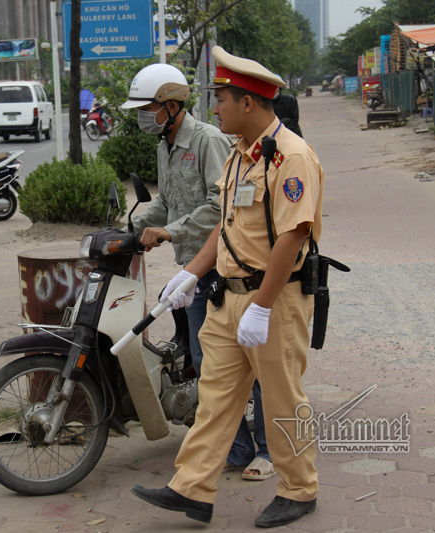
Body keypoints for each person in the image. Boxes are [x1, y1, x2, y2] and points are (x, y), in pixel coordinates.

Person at [131, 46, 323, 528]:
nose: (214, 107)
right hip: (227, 297)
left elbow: (293, 237)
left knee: (282, 400)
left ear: (248, 103)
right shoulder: (240, 154)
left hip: (273, 301)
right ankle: (192, 489)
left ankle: (300, 490)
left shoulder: (292, 157)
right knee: (215, 398)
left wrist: (260, 306)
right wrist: (190, 274)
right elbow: (224, 224)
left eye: (220, 98)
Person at [121, 63, 262, 470]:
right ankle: (234, 447)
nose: (142, 116)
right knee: (205, 363)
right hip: (192, 271)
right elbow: (166, 202)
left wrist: (170, 232)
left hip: (222, 267)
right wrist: (130, 229)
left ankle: (262, 446)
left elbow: (223, 205)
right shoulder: (165, 145)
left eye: (146, 107)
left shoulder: (208, 141)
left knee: (234, 362)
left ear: (170, 104)